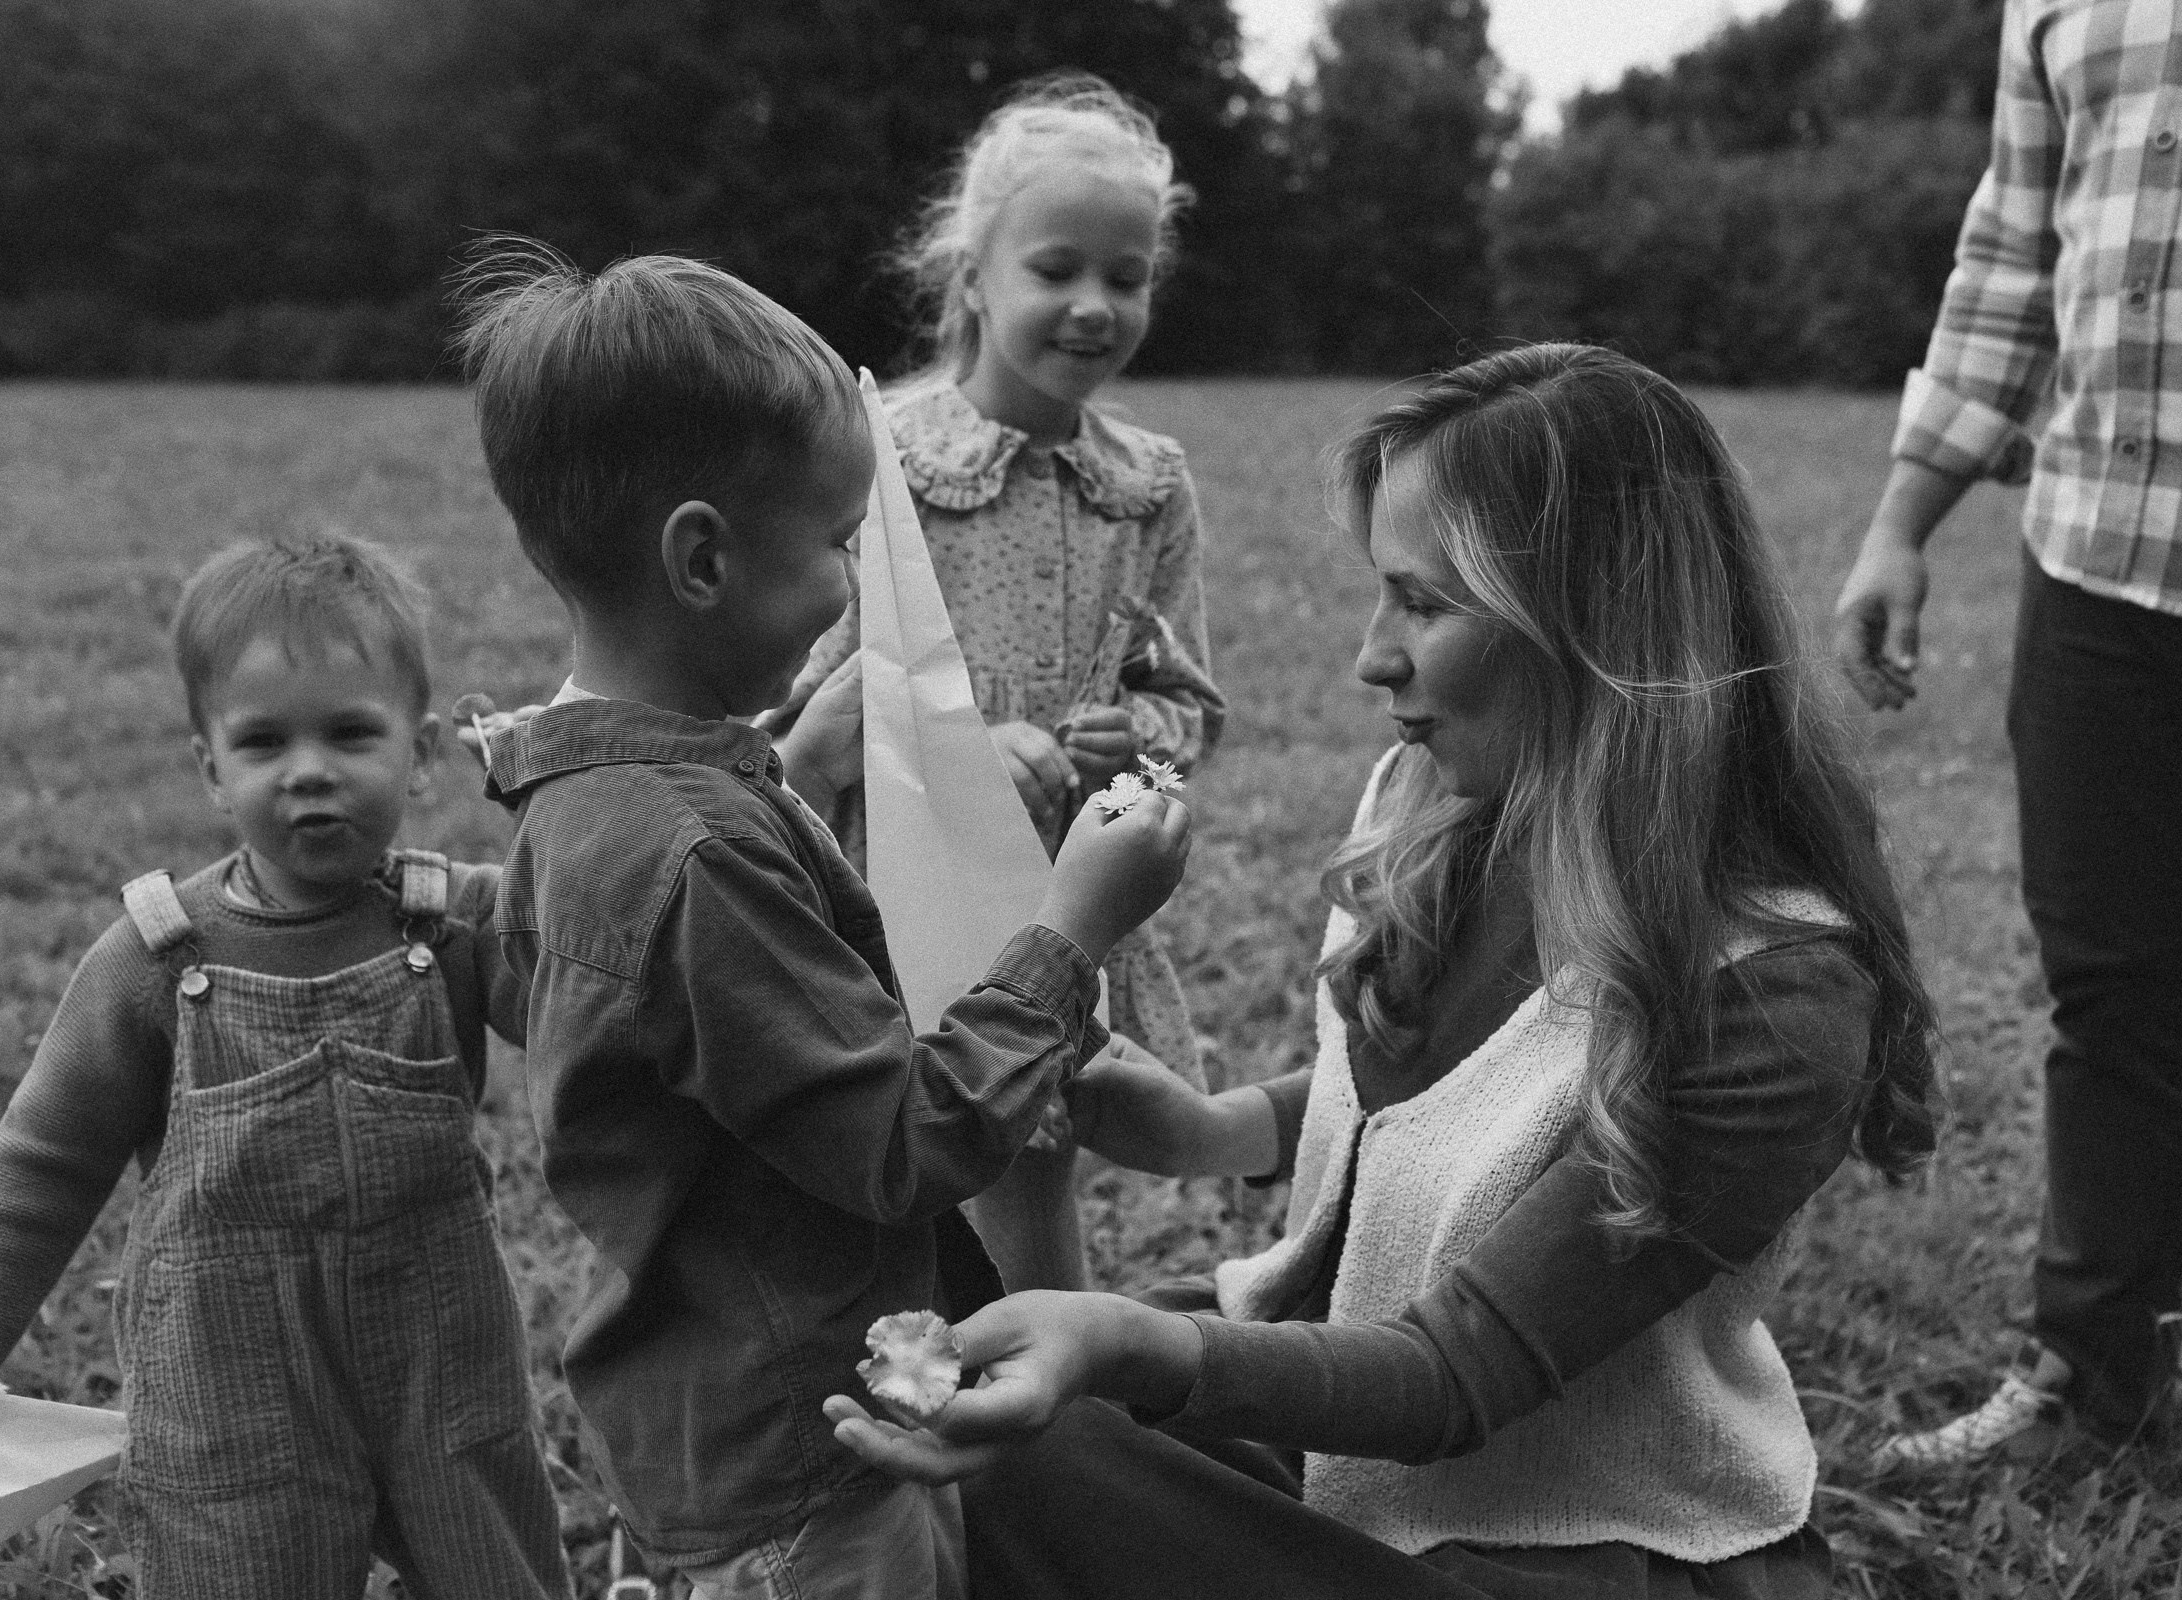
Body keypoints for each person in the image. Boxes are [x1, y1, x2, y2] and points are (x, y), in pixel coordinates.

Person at [827, 343, 1940, 1599]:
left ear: (1591, 620)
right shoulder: (1448, 804)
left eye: (1422, 602)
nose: (1371, 657)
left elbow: (1455, 1376)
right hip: (1338, 1440)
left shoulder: (1770, 993)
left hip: (1552, 1540)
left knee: (1008, 1472)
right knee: (929, 1364)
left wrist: (1130, 1341)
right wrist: (1216, 1125)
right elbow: (1464, 1092)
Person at [448, 240, 1191, 1600]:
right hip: (807, 1477)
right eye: (837, 544)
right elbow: (908, 1144)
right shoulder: (693, 850)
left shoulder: (586, 789)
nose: (854, 586)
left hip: (714, 1424)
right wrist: (1070, 929)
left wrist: (797, 761)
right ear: (703, 559)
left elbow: (665, 976)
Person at [1830, 0, 2182, 1568]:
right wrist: (1902, 518)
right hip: (2097, 561)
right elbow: (2010, 243)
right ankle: (2096, 1372)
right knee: (2113, 1000)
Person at [0, 536, 568, 1598]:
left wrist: (567, 827)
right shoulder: (155, 959)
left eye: (351, 733)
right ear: (212, 767)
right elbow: (40, 1164)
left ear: (426, 748)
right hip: (232, 1382)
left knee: (502, 1571)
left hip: (441, 1359)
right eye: (263, 741)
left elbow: (590, 1012)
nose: (308, 768)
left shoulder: (457, 926)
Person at [762, 72, 1228, 1293]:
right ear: (972, 275)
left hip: (1067, 875)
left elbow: (1189, 703)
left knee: (1029, 1156)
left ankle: (1033, 1387)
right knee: (897, 1127)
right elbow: (813, 686)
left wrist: (1141, 743)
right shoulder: (884, 456)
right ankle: (949, 1360)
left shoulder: (1150, 484)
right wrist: (963, 746)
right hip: (902, 865)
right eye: (1056, 268)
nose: (1094, 306)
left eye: (1125, 278)